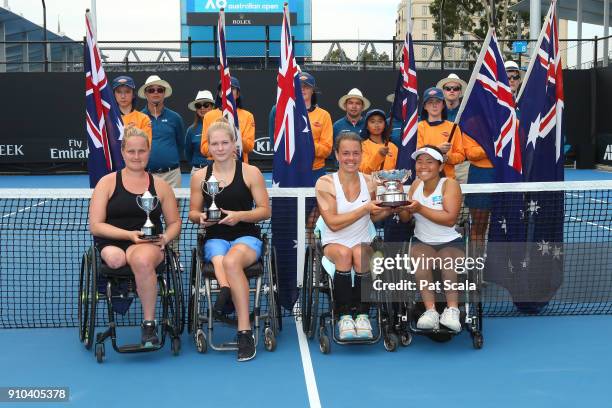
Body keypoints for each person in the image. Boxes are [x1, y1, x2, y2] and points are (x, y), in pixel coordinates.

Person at [89, 126, 181, 347]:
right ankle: (127, 288)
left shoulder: (161, 186)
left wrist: (166, 238)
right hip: (115, 239)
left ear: (149, 152)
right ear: (122, 152)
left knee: (140, 260)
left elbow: (175, 222)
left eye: (141, 151)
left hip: (148, 243)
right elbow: (96, 225)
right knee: (115, 260)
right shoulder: (107, 182)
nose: (137, 156)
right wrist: (129, 235)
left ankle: (149, 325)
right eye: (131, 151)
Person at [189, 118, 271, 362]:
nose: (220, 148)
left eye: (225, 142)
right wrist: (201, 217)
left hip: (246, 236)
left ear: (235, 144)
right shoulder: (199, 177)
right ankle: (226, 292)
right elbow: (193, 212)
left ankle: (244, 330)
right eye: (215, 144)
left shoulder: (251, 172)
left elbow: (265, 210)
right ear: (208, 147)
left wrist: (239, 216)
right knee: (218, 255)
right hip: (215, 238)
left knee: (232, 261)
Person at [315, 132, 392, 340]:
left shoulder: (371, 182)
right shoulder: (325, 183)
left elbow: (375, 217)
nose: (351, 158)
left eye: (355, 153)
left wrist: (392, 206)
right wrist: (364, 209)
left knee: (360, 254)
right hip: (334, 241)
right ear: (337, 155)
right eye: (346, 153)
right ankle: (344, 316)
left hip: (362, 241)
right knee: (343, 254)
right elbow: (333, 223)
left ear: (362, 155)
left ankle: (363, 316)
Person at [398, 145, 463, 332]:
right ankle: (431, 312)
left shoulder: (450, 184)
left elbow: (450, 220)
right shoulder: (416, 185)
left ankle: (452, 310)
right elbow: (405, 218)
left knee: (448, 260)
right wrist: (400, 201)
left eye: (429, 162)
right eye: (419, 162)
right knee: (420, 260)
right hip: (422, 241)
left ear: (440, 167)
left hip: (450, 242)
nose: (423, 166)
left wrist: (419, 208)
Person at [139, 75, 185, 188]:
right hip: (146, 175)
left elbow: (180, 144)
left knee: (174, 206)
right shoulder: (139, 117)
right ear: (146, 94)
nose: (156, 93)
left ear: (164, 93)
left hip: (172, 175)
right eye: (151, 90)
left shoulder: (175, 118)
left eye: (159, 90)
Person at [200, 76, 255, 163]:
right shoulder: (209, 116)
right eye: (224, 88)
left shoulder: (248, 116)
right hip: (215, 165)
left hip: (240, 164)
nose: (228, 91)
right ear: (220, 93)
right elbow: (204, 148)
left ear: (238, 94)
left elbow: (249, 146)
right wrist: (221, 151)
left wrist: (235, 132)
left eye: (232, 89)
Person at [416, 87, 465, 179]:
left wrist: (449, 158)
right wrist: (437, 150)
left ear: (443, 105)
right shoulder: (419, 127)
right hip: (425, 178)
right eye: (430, 102)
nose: (434, 105)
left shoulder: (453, 127)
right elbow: (417, 153)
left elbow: (461, 155)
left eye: (438, 102)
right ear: (425, 106)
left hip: (448, 179)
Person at [437, 73, 469, 185]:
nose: (452, 91)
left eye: (455, 88)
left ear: (460, 91)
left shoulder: (468, 114)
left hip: (463, 165)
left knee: (462, 200)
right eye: (448, 88)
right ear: (443, 91)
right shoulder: (435, 113)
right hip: (439, 164)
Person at [112, 76, 152, 145]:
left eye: (127, 92)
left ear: (133, 94)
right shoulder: (108, 119)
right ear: (114, 95)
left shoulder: (143, 119)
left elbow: (146, 146)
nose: (123, 96)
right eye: (119, 92)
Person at [359, 109, 398, 174]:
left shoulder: (392, 146)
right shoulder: (362, 146)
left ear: (385, 125)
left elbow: (399, 170)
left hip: (391, 183)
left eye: (380, 121)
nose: (377, 125)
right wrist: (379, 155)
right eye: (372, 122)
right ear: (367, 126)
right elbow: (365, 171)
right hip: (370, 183)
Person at [185, 90, 215, 174]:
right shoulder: (191, 130)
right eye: (198, 105)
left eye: (206, 105)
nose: (202, 108)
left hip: (217, 170)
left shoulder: (220, 126)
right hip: (197, 170)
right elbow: (188, 153)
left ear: (212, 107)